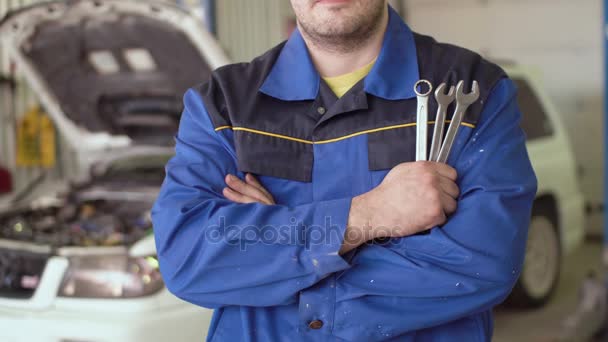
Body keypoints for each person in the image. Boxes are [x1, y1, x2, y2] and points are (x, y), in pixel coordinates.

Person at [152, 1, 537, 341]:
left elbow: (483, 263)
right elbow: (188, 259)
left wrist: (270, 244)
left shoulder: (470, 90)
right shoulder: (224, 104)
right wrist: (369, 215)